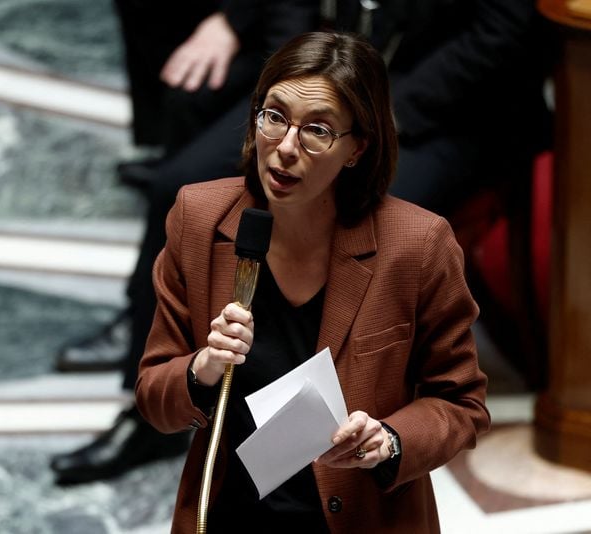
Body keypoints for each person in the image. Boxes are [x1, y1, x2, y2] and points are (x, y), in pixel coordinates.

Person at [135, 31, 490, 532]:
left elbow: (461, 404)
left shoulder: (417, 245)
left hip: (360, 517)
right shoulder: (199, 218)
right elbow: (153, 395)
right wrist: (203, 368)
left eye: (317, 130)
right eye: (274, 116)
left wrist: (390, 440)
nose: (284, 147)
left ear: (357, 148)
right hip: (232, 513)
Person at [50, 0, 321, 484]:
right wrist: (235, 22)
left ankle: (241, 419)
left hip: (397, 92)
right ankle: (156, 334)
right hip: (308, 61)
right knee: (191, 97)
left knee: (183, 189)